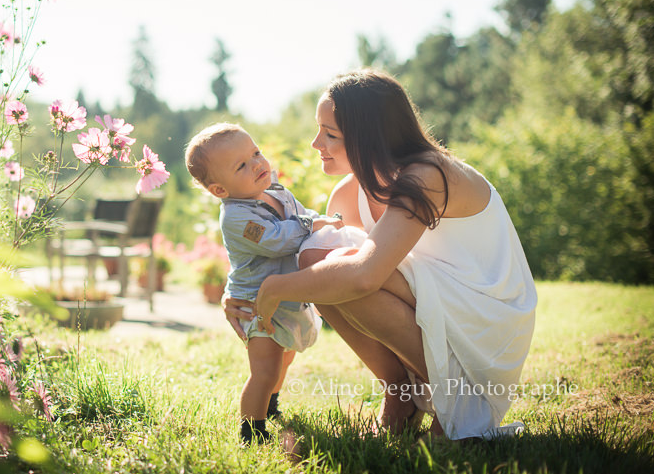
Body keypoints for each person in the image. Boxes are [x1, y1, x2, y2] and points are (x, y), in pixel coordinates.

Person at [223, 69, 537, 441]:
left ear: (369, 137)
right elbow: (312, 269)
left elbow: (365, 275)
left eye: (330, 134)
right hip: (438, 303)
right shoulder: (347, 194)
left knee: (336, 266)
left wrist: (275, 288)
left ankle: (455, 397)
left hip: (485, 319)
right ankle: (399, 392)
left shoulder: (427, 175)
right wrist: (241, 291)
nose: (315, 143)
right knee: (316, 258)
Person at [185, 123, 346, 445]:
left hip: (286, 296)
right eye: (242, 165)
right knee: (265, 369)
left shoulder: (277, 193)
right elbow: (275, 240)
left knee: (285, 357)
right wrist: (312, 224)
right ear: (219, 189)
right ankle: (252, 430)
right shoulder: (236, 217)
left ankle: (270, 405)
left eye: (255, 153)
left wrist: (322, 221)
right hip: (255, 304)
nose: (258, 164)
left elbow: (304, 214)